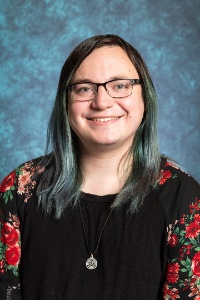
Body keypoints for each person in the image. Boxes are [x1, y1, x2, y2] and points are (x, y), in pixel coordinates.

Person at [0, 34, 199, 300]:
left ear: (146, 98)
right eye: (84, 88)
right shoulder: (18, 190)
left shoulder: (183, 198)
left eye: (120, 85)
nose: (102, 102)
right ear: (65, 102)